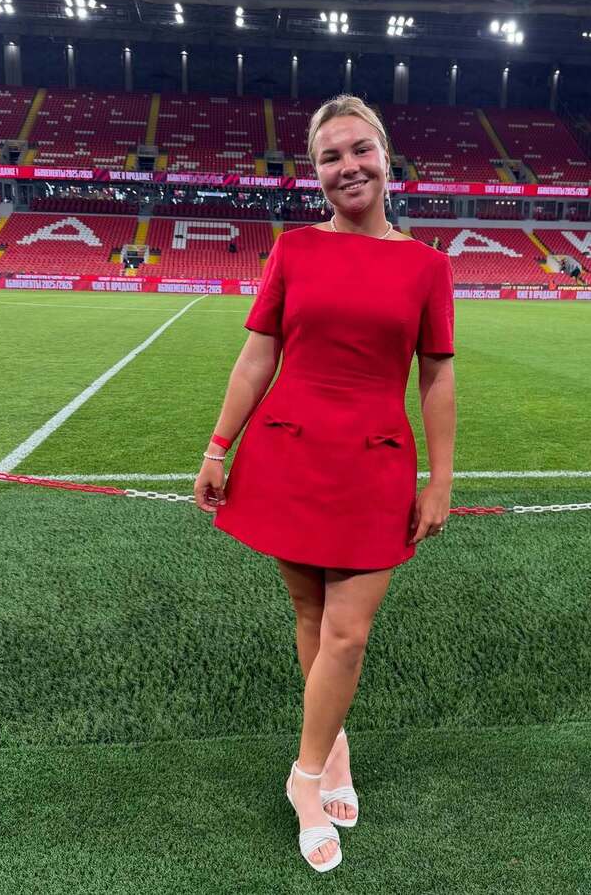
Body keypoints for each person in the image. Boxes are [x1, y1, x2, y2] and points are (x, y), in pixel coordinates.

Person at [193, 94, 456, 874]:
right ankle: (331, 746)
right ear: (315, 172)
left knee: (349, 631)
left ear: (386, 155)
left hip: (374, 462)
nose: (349, 166)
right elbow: (257, 357)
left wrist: (440, 477)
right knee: (311, 613)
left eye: (360, 149)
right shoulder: (293, 250)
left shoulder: (427, 265)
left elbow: (436, 376)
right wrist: (217, 446)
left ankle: (303, 778)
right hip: (288, 453)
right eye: (330, 156)